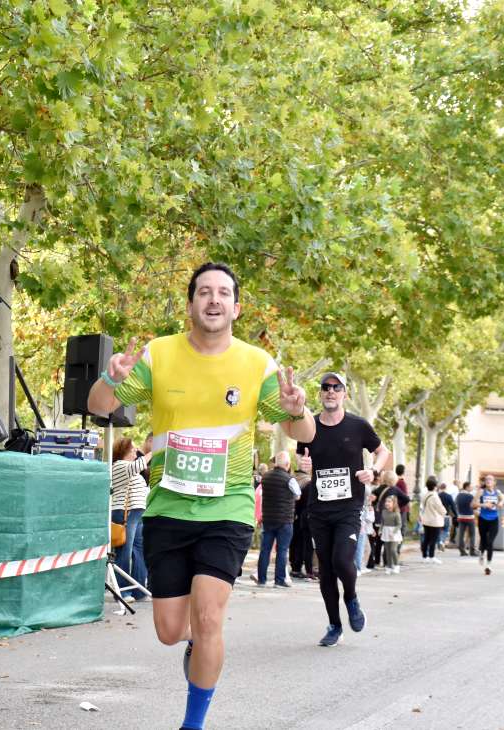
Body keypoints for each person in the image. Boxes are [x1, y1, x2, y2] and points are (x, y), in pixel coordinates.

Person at [87, 262, 314, 730]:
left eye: (223, 293)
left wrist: (298, 409)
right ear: (190, 303)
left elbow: (300, 430)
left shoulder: (257, 364)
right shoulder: (158, 354)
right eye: (204, 292)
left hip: (227, 507)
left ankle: (193, 723)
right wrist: (110, 379)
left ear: (236, 306)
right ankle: (192, 640)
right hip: (168, 506)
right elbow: (97, 407)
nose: (214, 300)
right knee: (172, 631)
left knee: (210, 617)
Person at [296, 370, 390, 648]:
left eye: (336, 387)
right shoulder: (308, 426)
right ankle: (334, 625)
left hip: (349, 507)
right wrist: (303, 466)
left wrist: (373, 470)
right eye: (326, 387)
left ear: (344, 394)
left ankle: (351, 596)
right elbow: (301, 458)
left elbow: (383, 452)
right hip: (319, 508)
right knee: (325, 568)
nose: (331, 391)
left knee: (342, 560)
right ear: (321, 393)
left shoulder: (358, 426)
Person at [111, 436, 152, 601]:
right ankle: (123, 591)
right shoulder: (119, 466)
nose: (136, 451)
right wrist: (152, 452)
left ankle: (139, 590)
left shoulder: (128, 467)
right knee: (125, 551)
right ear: (124, 451)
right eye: (132, 449)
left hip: (136, 512)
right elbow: (139, 465)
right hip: (125, 512)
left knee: (138, 551)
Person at [254, 451, 300, 587]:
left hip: (268, 519)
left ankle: (262, 580)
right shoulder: (290, 479)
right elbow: (298, 495)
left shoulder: (265, 477)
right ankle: (279, 580)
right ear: (287, 464)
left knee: (265, 549)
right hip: (285, 520)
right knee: (282, 550)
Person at [370, 470, 409, 570]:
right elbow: (406, 499)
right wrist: (396, 507)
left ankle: (377, 562)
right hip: (391, 518)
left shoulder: (379, 489)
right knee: (390, 542)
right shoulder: (395, 489)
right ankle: (388, 563)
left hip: (379, 517)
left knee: (378, 542)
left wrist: (375, 505)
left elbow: (372, 498)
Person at [290, 466, 315, 579]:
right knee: (308, 545)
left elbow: (298, 503)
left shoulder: (294, 480)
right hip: (311, 517)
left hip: (299, 516)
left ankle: (296, 567)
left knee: (297, 543)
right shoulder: (311, 484)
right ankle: (309, 570)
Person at [476, 475, 503, 574]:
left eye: (490, 479)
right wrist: (483, 505)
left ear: (494, 482)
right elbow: (472, 504)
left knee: (490, 541)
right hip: (483, 519)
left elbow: (503, 500)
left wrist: (500, 503)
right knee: (484, 540)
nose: (488, 481)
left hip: (494, 519)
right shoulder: (481, 492)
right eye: (486, 479)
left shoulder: (497, 492)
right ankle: (481, 553)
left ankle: (488, 565)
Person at [419, 477, 446, 563]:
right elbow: (440, 508)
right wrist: (445, 512)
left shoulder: (425, 495)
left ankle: (424, 556)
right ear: (435, 486)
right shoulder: (435, 496)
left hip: (426, 519)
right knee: (433, 539)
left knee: (426, 538)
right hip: (435, 521)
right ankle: (431, 556)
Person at [380, 494, 402, 574]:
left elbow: (399, 524)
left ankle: (396, 565)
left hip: (394, 534)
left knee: (393, 550)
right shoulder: (384, 512)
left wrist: (393, 532)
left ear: (394, 503)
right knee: (387, 551)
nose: (387, 503)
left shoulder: (396, 513)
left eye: (389, 502)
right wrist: (380, 530)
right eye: (386, 501)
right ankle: (389, 566)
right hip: (386, 532)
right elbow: (382, 522)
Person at [454, 481, 478, 556]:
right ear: (467, 487)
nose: (471, 488)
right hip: (470, 517)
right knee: (472, 534)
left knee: (461, 534)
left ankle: (462, 551)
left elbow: (456, 504)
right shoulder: (470, 496)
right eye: (471, 486)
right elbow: (474, 506)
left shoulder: (458, 495)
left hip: (461, 517)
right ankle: (472, 551)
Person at [438, 484, 456, 549]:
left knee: (439, 530)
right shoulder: (449, 496)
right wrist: (455, 515)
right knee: (446, 530)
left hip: (438, 516)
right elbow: (453, 506)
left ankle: (439, 541)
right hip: (446, 516)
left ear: (440, 488)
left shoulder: (437, 495)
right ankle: (441, 541)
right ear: (446, 488)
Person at [394, 464, 411, 531]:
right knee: (402, 528)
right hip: (402, 508)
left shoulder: (394, 481)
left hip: (395, 507)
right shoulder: (401, 482)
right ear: (403, 472)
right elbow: (405, 497)